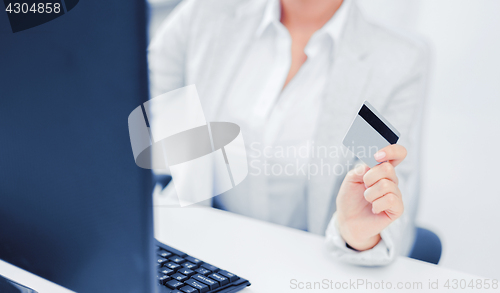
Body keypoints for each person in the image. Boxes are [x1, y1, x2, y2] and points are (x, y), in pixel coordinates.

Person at [148, 0, 427, 265]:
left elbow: (387, 189)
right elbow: (134, 103)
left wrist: (359, 236)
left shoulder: (394, 63)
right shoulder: (207, 12)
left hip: (307, 264)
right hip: (197, 244)